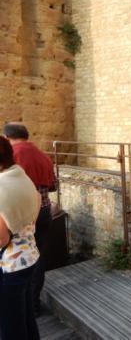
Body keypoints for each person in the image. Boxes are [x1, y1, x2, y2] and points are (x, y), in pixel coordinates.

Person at [2, 122, 56, 316]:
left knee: (15, 260)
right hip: (43, 211)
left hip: (19, 216)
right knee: (36, 256)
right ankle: (33, 305)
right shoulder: (44, 156)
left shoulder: (10, 156)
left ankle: (23, 306)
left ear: (7, 137)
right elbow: (52, 187)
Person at [0, 135, 41, 340]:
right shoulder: (20, 176)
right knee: (25, 318)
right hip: (28, 256)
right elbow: (38, 201)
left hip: (10, 265)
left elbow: (0, 239)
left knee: (10, 327)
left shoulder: (1, 186)